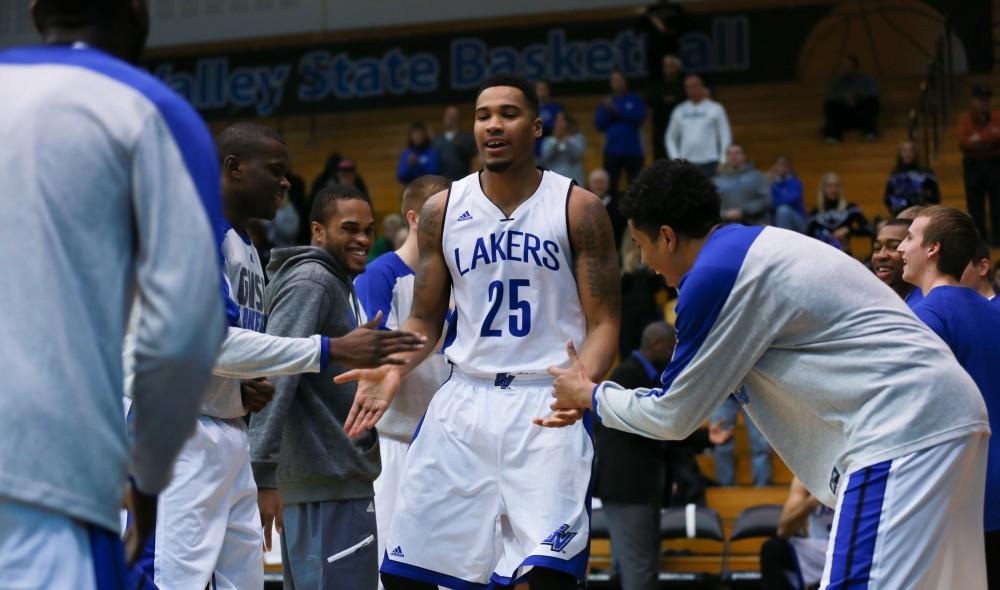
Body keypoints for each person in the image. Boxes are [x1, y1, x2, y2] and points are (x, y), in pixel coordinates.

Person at [547, 159, 991, 589]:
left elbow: (674, 415)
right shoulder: (754, 247)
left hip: (904, 427)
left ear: (666, 236)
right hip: (949, 418)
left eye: (640, 246)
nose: (644, 262)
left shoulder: (716, 276)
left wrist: (590, 395)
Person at [337, 74, 621, 589]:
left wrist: (585, 380)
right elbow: (424, 318)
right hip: (464, 399)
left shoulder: (579, 208)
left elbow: (604, 322)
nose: (493, 124)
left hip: (545, 400)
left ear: (535, 127)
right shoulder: (441, 211)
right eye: (483, 114)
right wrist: (393, 367)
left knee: (544, 575)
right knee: (410, 572)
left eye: (508, 113)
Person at [131, 124, 424, 590]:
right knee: (171, 580)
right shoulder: (191, 231)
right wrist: (330, 349)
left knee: (241, 581)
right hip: (176, 429)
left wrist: (242, 386)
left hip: (229, 431)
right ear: (232, 167)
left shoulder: (247, 249)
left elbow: (235, 355)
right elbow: (209, 344)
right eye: (275, 171)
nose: (286, 183)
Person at [0, 1, 226, 586]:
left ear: (34, 9)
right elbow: (183, 333)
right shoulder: (149, 110)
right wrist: (148, 482)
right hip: (43, 483)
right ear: (135, 9)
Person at [249, 185, 388, 590]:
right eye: (349, 228)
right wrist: (264, 473)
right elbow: (277, 370)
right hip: (326, 483)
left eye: (368, 229)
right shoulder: (313, 280)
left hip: (325, 480)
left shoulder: (332, 282)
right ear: (317, 230)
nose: (362, 239)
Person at [354, 175, 454, 569]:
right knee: (392, 562)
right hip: (396, 440)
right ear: (414, 218)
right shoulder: (380, 275)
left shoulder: (458, 278)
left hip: (449, 440)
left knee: (452, 565)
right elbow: (375, 355)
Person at [898, 206, 1000, 589]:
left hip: (960, 491)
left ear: (932, 250)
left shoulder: (927, 315)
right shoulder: (993, 311)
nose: (901, 249)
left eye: (909, 238)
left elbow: (914, 408)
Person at [596, 321, 729, 590]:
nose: (674, 353)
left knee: (634, 566)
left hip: (637, 490)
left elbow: (663, 424)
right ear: (656, 345)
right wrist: (701, 438)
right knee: (640, 570)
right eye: (671, 346)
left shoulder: (645, 375)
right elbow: (660, 423)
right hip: (629, 490)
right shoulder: (627, 376)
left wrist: (705, 438)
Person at [759, 477, 835, 590]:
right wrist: (811, 503)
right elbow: (783, 531)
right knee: (772, 548)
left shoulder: (857, 469)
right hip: (818, 549)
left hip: (851, 546)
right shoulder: (806, 476)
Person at [665, 74, 731, 178]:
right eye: (689, 87)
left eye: (695, 86)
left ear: (702, 87)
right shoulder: (679, 110)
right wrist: (675, 159)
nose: (692, 90)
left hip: (710, 162)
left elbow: (725, 135)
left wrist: (723, 160)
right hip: (686, 163)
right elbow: (670, 138)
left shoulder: (716, 108)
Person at [959, 86, 1000, 246]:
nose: (984, 103)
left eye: (986, 100)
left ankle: (998, 238)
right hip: (974, 166)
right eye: (980, 100)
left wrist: (978, 139)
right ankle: (980, 239)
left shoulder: (996, 116)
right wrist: (991, 136)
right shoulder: (965, 119)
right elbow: (964, 143)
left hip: (995, 164)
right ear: (973, 102)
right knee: (975, 205)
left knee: (998, 203)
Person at [595, 69, 647, 193]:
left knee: (635, 187)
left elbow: (639, 118)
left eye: (619, 80)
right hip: (612, 151)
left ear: (625, 81)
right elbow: (599, 125)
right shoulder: (606, 102)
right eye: (613, 81)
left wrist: (616, 110)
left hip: (633, 151)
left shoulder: (635, 99)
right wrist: (609, 110)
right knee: (610, 187)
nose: (616, 83)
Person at [806, 172, 870, 255]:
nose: (833, 189)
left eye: (836, 186)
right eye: (829, 186)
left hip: (844, 253)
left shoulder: (850, 208)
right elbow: (808, 237)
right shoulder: (815, 212)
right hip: (823, 254)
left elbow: (868, 229)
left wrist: (849, 230)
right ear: (823, 189)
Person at [821, 55, 880, 143]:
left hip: (860, 114)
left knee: (872, 102)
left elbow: (874, 93)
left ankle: (869, 133)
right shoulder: (836, 81)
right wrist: (843, 98)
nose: (846, 68)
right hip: (843, 115)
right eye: (844, 66)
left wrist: (856, 96)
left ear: (855, 67)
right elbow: (829, 96)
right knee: (830, 105)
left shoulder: (865, 79)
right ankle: (833, 136)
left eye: (849, 66)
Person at [713, 143, 772, 226]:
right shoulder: (716, 181)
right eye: (729, 154)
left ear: (744, 156)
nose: (733, 156)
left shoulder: (757, 176)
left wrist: (743, 211)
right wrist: (725, 214)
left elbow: (766, 200)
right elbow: (712, 205)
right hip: (727, 226)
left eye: (737, 153)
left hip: (755, 223)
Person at [871, 218, 921, 305]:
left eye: (894, 247)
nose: (881, 255)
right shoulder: (871, 303)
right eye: (877, 248)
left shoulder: (928, 305)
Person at [883, 140, 940, 216]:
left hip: (920, 211)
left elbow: (936, 197)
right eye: (904, 151)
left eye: (911, 151)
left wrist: (922, 198)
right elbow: (887, 198)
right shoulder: (895, 174)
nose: (908, 154)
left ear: (915, 153)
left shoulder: (925, 172)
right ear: (900, 154)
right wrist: (898, 203)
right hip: (900, 212)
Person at [647, 54, 686, 161]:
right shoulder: (656, 84)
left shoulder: (683, 85)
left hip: (681, 131)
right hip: (660, 128)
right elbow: (651, 101)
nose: (667, 68)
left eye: (670, 65)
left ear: (677, 67)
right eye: (665, 65)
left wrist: (666, 101)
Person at [540, 111, 585, 185]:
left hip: (574, 180)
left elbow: (577, 156)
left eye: (562, 120)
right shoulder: (548, 140)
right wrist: (557, 142)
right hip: (554, 182)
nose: (559, 124)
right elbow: (545, 158)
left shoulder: (578, 138)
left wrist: (566, 140)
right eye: (557, 120)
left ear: (568, 122)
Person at [432, 106, 477, 180]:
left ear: (458, 118)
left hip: (462, 179)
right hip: (442, 181)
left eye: (453, 116)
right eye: (448, 116)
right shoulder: (436, 140)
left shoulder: (467, 138)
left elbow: (475, 158)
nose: (450, 118)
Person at [590, 168, 627, 250]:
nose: (599, 185)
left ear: (608, 184)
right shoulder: (582, 205)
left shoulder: (619, 206)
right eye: (596, 182)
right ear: (590, 184)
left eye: (602, 182)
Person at [768, 155, 807, 233]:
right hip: (776, 220)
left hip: (799, 221)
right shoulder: (771, 183)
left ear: (788, 167)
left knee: (783, 210)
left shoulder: (796, 182)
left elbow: (791, 200)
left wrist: (775, 201)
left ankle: (783, 241)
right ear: (774, 167)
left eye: (784, 165)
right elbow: (766, 202)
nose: (781, 168)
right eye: (779, 165)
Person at [535, 79, 565, 156]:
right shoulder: (531, 108)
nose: (542, 91)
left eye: (544, 89)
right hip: (535, 146)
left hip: (553, 145)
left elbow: (560, 125)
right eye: (539, 89)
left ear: (549, 90)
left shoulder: (556, 107)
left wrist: (544, 126)